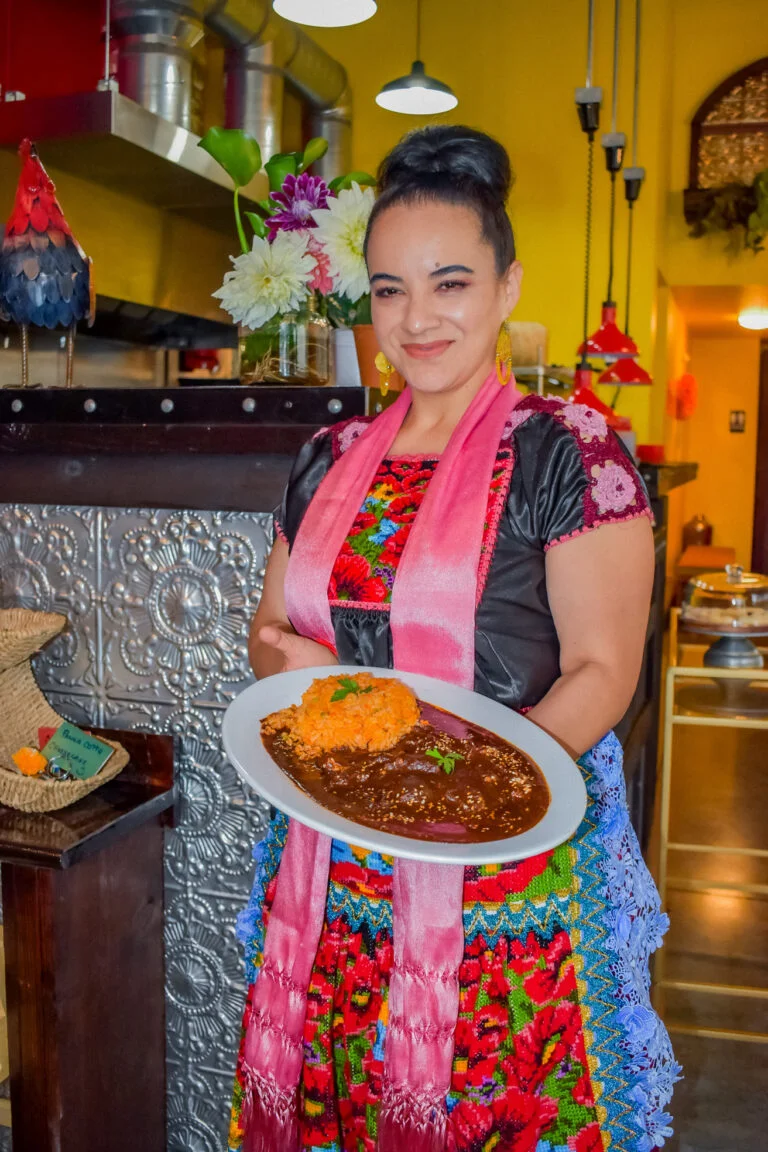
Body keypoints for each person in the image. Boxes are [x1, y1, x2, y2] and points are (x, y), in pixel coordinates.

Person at [229, 125, 679, 1152]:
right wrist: (304, 676)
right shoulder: (328, 454)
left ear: (508, 286)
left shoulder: (570, 449)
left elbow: (604, 670)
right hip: (333, 863)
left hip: (502, 875)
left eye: (451, 283)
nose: (418, 319)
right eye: (390, 290)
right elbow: (269, 631)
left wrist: (470, 804)